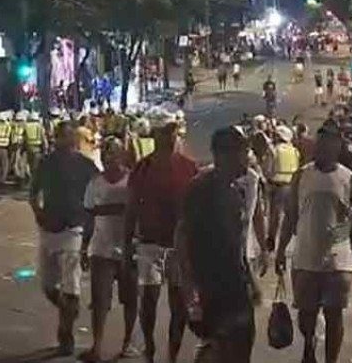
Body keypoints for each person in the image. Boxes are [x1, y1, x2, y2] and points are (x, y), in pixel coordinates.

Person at [276, 123, 352, 363]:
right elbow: (290, 215)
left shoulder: (349, 179)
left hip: (339, 261)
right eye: (321, 142)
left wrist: (346, 233)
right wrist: (280, 250)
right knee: (306, 315)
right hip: (305, 257)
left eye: (330, 143)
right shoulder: (302, 175)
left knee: (334, 316)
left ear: (338, 147)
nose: (324, 148)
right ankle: (309, 346)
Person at [178, 126, 260, 363]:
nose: (246, 157)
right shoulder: (201, 189)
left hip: (235, 283)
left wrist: (250, 279)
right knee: (218, 346)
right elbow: (183, 236)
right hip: (211, 286)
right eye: (240, 152)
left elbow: (236, 242)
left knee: (240, 344)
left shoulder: (236, 191)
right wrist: (189, 288)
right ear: (222, 155)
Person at [125, 113, 199, 363]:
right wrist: (127, 246)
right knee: (149, 299)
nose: (169, 136)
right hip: (149, 244)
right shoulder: (142, 168)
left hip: (179, 247)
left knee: (179, 306)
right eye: (165, 131)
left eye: (172, 131)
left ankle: (172, 354)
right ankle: (149, 348)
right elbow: (132, 207)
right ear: (154, 134)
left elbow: (196, 209)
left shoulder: (189, 167)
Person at [29, 122, 99, 356]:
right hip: (49, 228)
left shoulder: (86, 165)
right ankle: (68, 310)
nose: (66, 142)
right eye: (62, 137)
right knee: (49, 286)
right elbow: (33, 192)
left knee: (71, 285)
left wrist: (91, 228)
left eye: (69, 138)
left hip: (73, 230)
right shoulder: (46, 163)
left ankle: (66, 331)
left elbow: (97, 194)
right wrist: (38, 212)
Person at [80, 137, 138, 362]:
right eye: (104, 154)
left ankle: (127, 343)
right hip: (101, 248)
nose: (107, 158)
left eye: (112, 153)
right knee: (100, 300)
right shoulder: (95, 183)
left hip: (128, 248)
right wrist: (84, 247)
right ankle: (97, 346)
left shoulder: (132, 181)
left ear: (121, 155)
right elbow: (88, 215)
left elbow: (137, 211)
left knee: (130, 299)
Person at [266, 125, 300, 251]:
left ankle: (271, 240)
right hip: (291, 185)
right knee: (289, 216)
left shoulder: (274, 150)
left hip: (277, 185)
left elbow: (268, 169)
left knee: (274, 215)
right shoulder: (294, 151)